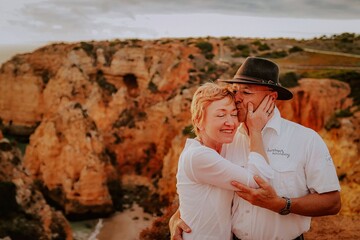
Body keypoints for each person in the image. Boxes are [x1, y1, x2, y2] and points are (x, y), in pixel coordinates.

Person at [170, 57, 341, 240]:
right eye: (235, 91)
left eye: (246, 92)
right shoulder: (227, 137)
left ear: (271, 97)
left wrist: (281, 205)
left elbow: (332, 203)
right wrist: (177, 218)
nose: (236, 99)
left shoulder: (306, 139)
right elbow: (209, 185)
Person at [176, 82, 275, 239]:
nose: (231, 123)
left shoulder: (221, 148)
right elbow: (259, 182)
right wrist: (255, 130)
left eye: (234, 114)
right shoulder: (198, 157)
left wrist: (176, 217)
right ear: (198, 121)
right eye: (221, 115)